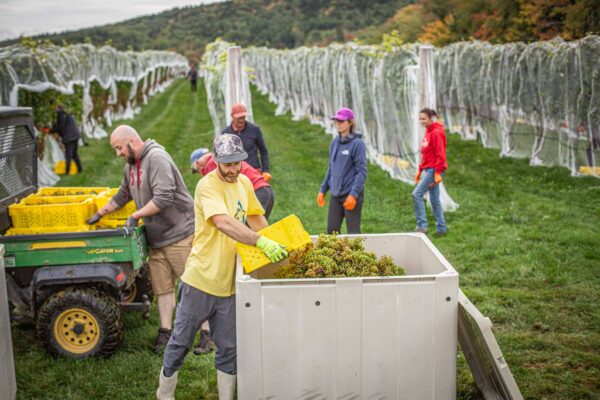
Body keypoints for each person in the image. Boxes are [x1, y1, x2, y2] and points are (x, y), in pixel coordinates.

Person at [157, 134, 287, 400]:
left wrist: (278, 242)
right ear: (215, 160)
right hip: (201, 280)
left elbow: (255, 217)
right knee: (181, 342)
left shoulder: (244, 183)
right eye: (226, 164)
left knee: (228, 348)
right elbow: (223, 222)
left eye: (237, 163)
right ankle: (165, 393)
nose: (232, 169)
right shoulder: (207, 186)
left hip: (230, 284)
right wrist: (260, 242)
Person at [85, 125, 195, 352]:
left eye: (118, 148)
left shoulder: (157, 159)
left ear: (132, 142)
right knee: (163, 288)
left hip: (179, 233)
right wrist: (100, 213)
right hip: (156, 237)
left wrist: (136, 215)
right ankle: (166, 331)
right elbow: (123, 195)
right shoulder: (131, 166)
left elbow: (164, 197)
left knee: (193, 284)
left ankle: (207, 332)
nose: (118, 154)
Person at [317, 107, 367, 234]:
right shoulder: (334, 143)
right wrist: (323, 190)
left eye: (341, 121)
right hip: (335, 194)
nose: (338, 124)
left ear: (350, 123)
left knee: (353, 233)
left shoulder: (357, 144)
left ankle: (357, 254)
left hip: (350, 195)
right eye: (336, 121)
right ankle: (335, 255)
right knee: (331, 232)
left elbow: (362, 172)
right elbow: (331, 168)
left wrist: (354, 194)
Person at [190, 148, 275, 219]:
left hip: (256, 191)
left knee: (244, 231)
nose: (201, 173)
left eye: (198, 170)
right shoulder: (221, 158)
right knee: (258, 229)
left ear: (198, 163)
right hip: (265, 190)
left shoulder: (212, 165)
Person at [413, 108, 448, 236]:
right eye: (420, 119)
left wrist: (438, 172)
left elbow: (441, 155)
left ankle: (422, 226)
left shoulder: (437, 133)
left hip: (434, 170)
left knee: (416, 194)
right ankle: (442, 229)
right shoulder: (428, 132)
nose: (421, 121)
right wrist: (420, 169)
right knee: (434, 200)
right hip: (428, 169)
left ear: (430, 118)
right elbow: (426, 154)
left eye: (424, 119)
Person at [221, 103, 272, 182]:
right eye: (239, 118)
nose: (241, 120)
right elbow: (223, 157)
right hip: (235, 174)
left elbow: (263, 151)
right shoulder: (226, 133)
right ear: (232, 116)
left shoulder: (254, 129)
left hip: (254, 171)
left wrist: (265, 170)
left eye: (243, 117)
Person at [52, 104, 82, 174]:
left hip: (70, 137)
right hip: (75, 135)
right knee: (74, 153)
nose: (54, 110)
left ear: (58, 108)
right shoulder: (66, 114)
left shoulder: (61, 114)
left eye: (55, 108)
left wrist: (51, 130)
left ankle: (67, 171)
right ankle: (80, 169)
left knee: (68, 154)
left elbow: (60, 127)